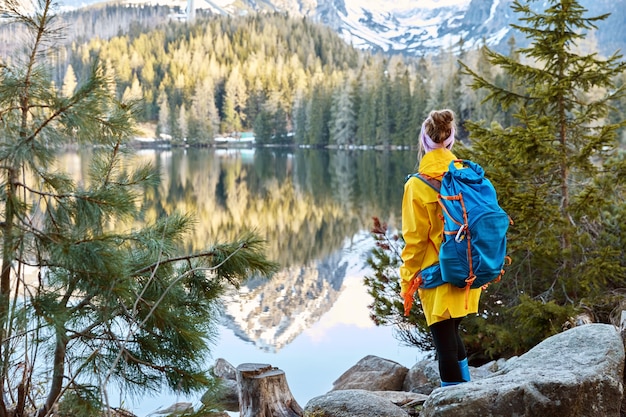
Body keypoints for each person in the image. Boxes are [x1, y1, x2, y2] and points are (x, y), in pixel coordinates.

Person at [399, 109, 481, 386]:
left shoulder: (416, 185)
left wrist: (407, 279)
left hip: (437, 275)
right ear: (450, 141)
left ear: (424, 142)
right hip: (469, 269)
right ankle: (466, 393)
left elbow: (414, 241)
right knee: (452, 335)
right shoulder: (467, 176)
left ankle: (454, 404)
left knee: (444, 346)